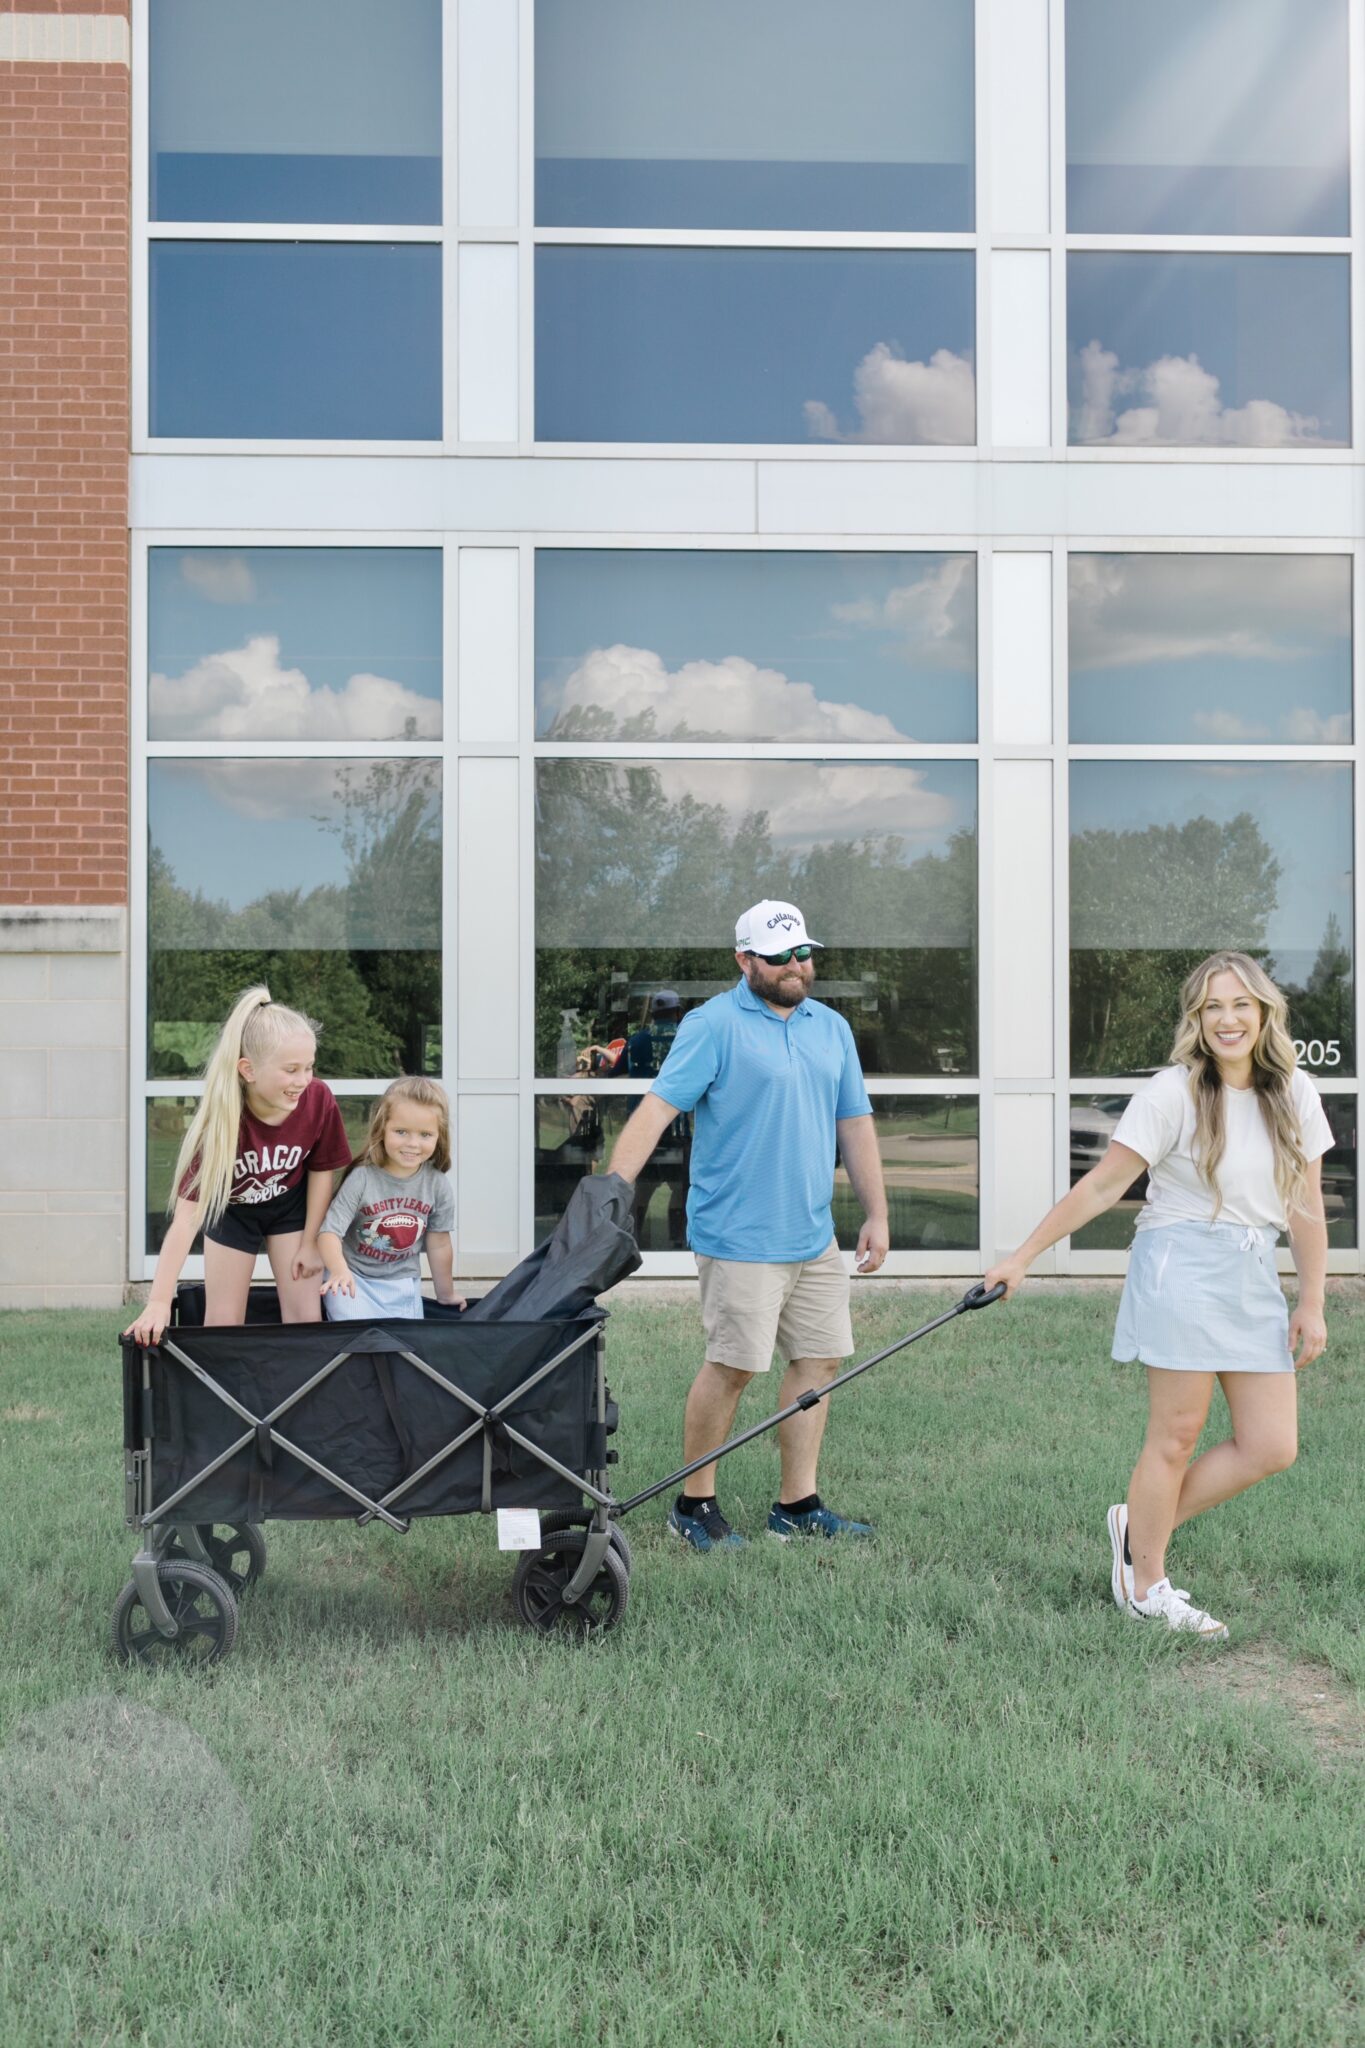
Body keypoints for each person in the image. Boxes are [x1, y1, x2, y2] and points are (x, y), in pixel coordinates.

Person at [984, 951, 1331, 1639]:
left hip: (1251, 1272)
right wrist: (1020, 1257)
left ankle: (1136, 1522)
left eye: (1238, 1004)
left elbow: (1305, 1205)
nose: (1226, 1019)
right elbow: (1104, 1185)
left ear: (1263, 1011)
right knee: (1173, 1437)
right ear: (1195, 1020)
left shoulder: (1294, 1091)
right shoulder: (1171, 1093)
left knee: (1270, 1445)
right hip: (1180, 1266)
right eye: (1211, 1007)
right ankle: (1146, 1585)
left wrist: (1311, 1300)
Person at [608, 898, 890, 1549]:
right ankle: (693, 1503)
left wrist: (875, 1211)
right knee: (733, 1367)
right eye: (778, 956)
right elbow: (654, 1111)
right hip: (738, 1237)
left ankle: (796, 1505)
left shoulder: (830, 1027)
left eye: (802, 953)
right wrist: (611, 1193)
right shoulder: (712, 1025)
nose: (796, 966)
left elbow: (855, 1122)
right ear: (744, 960)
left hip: (812, 1236)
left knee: (819, 1364)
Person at [126, 986, 352, 1345]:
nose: (303, 1080)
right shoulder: (222, 1123)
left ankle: (301, 1400)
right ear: (248, 1070)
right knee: (223, 1325)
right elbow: (186, 1220)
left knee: (305, 1321)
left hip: (290, 1207)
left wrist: (311, 1243)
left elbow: (322, 1171)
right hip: (233, 1213)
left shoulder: (318, 1099)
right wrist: (157, 1302)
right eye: (291, 1069)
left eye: (309, 1067)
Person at [318, 1077, 463, 1321]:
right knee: (358, 1338)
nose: (413, 1144)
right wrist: (339, 1271)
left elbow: (439, 1244)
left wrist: (445, 1294)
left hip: (402, 1282)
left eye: (425, 1134)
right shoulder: (362, 1178)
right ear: (382, 1128)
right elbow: (329, 1233)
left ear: (440, 1136)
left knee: (403, 1347)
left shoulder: (437, 1184)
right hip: (354, 1280)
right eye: (401, 1131)